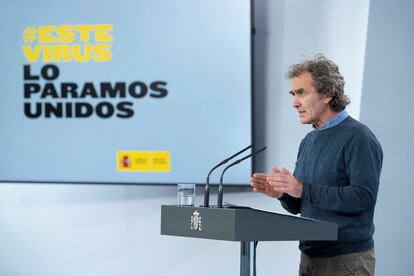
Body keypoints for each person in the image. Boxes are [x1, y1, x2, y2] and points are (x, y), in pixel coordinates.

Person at [251, 54, 383, 276]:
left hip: (346, 260)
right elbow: (301, 205)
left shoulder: (358, 137)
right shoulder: (309, 140)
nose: (294, 102)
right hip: (310, 256)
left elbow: (363, 198)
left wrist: (302, 189)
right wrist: (283, 194)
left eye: (301, 93)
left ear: (328, 94)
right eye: (293, 94)